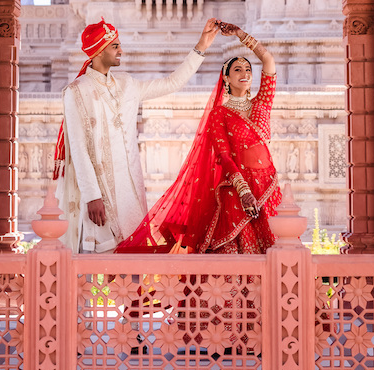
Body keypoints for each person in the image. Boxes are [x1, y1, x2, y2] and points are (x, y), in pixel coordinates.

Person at [53, 17, 219, 252]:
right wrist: (92, 196)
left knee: (133, 260)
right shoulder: (76, 92)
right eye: (115, 46)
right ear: (99, 51)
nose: (121, 50)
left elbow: (172, 82)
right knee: (98, 262)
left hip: (130, 190)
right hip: (101, 194)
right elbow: (79, 148)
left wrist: (201, 46)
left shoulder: (127, 84)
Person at [117, 25, 281, 254]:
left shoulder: (262, 103)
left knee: (277, 250)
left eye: (248, 69)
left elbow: (268, 59)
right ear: (226, 78)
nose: (245, 74)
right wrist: (243, 191)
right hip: (236, 191)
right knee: (240, 257)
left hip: (268, 188)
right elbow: (223, 156)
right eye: (237, 70)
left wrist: (240, 35)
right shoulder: (220, 114)